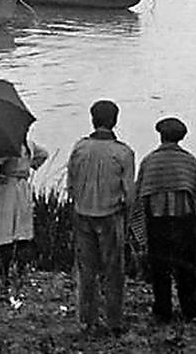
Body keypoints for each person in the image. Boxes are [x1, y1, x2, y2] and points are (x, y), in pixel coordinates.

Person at [67, 99, 135, 334]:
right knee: (114, 270)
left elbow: (71, 187)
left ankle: (87, 320)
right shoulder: (123, 152)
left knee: (87, 270)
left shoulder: (79, 148)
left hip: (82, 213)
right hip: (110, 215)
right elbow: (130, 195)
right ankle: (114, 321)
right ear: (114, 121)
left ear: (92, 120)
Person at [134, 117, 196, 323]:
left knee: (160, 268)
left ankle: (162, 309)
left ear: (160, 135)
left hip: (157, 223)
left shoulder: (150, 161)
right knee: (186, 267)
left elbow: (139, 196)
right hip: (184, 223)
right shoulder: (189, 161)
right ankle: (189, 309)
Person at [0, 139, 49, 290]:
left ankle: (5, 272)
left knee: (6, 229)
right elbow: (43, 155)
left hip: (7, 187)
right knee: (22, 230)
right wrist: (31, 165)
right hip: (23, 185)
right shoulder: (30, 144)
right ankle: (19, 271)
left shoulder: (7, 146)